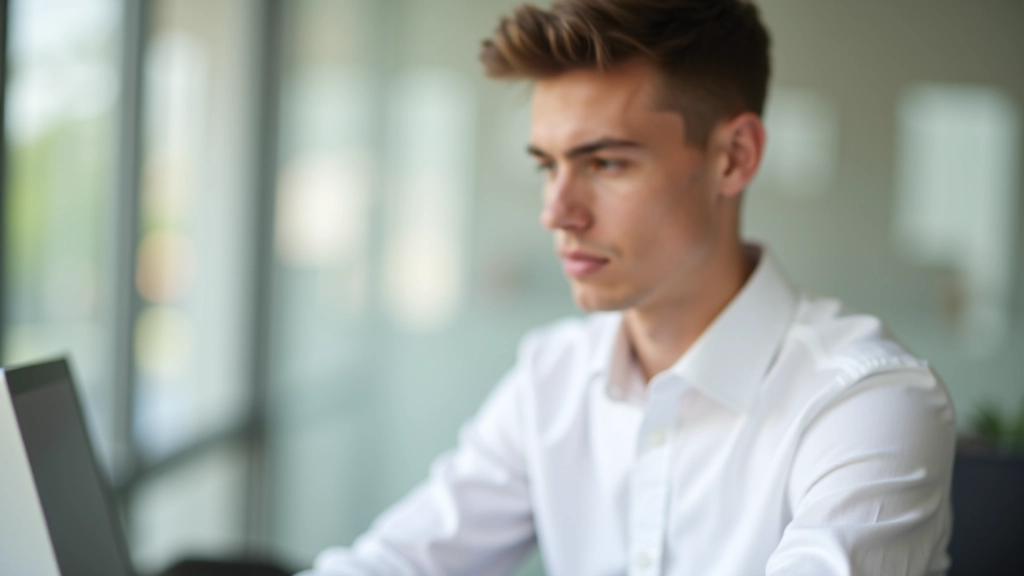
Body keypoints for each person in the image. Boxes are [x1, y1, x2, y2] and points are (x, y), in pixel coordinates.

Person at [302, 1, 956, 575]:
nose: (556, 213)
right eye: (548, 165)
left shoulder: (864, 403)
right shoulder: (552, 377)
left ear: (734, 157)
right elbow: (400, 560)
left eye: (606, 163)